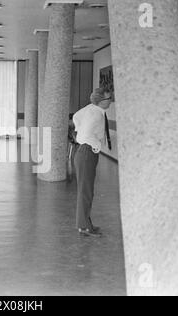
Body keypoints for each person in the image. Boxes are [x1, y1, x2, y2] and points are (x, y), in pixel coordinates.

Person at [73, 88, 113, 237]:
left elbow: (76, 116)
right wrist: (97, 145)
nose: (110, 101)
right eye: (108, 99)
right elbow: (85, 136)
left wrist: (79, 127)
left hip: (84, 153)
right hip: (87, 153)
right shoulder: (95, 115)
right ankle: (84, 227)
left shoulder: (91, 108)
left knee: (86, 191)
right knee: (86, 192)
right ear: (100, 101)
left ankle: (85, 224)